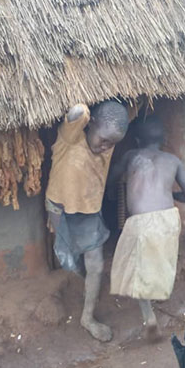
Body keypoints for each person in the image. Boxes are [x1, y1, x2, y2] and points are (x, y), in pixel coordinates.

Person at [45, 100, 131, 342]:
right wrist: (86, 115)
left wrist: (108, 137)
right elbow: (78, 111)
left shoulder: (108, 144)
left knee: (96, 264)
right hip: (60, 209)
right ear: (91, 124)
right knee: (67, 258)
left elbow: (129, 112)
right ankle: (76, 281)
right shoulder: (70, 138)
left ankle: (87, 317)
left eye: (112, 144)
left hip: (90, 212)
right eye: (103, 139)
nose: (106, 147)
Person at [107, 117, 185, 341]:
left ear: (136, 140)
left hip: (142, 222)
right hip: (168, 219)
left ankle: (150, 318)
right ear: (163, 140)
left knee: (137, 269)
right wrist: (171, 194)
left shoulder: (131, 156)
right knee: (161, 261)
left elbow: (111, 179)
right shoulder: (173, 160)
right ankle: (159, 294)